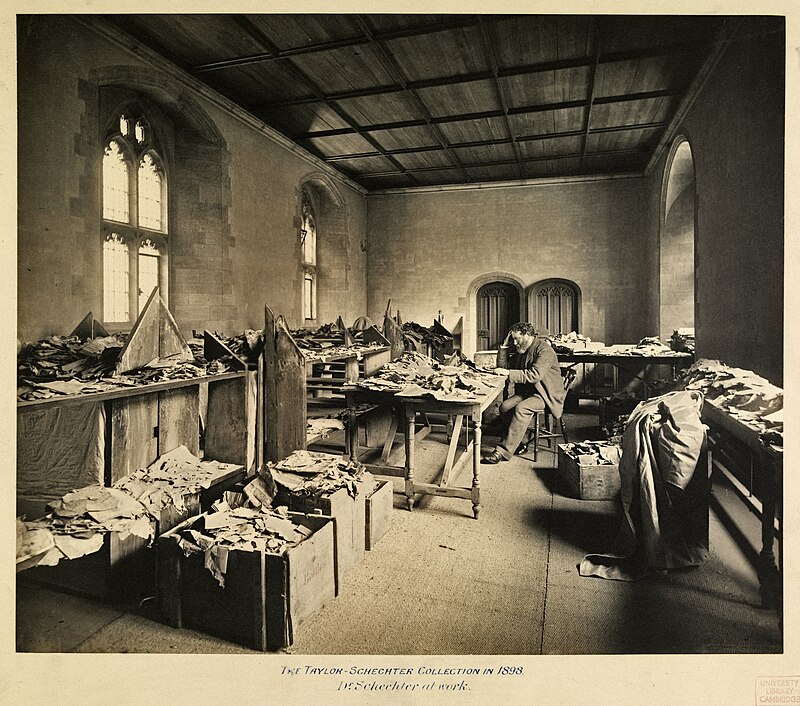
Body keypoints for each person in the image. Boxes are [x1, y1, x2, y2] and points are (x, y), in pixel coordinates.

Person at [482, 322, 567, 464]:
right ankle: (522, 439)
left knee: (522, 408)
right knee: (505, 406)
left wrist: (508, 373)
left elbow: (534, 375)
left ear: (527, 336)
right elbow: (504, 366)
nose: (515, 343)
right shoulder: (523, 349)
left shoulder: (545, 350)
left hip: (546, 394)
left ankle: (502, 451)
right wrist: (504, 345)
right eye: (513, 339)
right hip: (530, 391)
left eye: (517, 339)